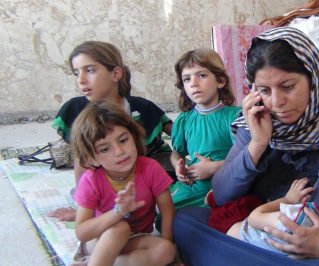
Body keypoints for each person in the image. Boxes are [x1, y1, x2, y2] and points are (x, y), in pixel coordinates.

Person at [173, 27, 319, 265]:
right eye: (265, 91)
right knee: (184, 221)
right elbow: (224, 195)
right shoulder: (256, 120)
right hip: (259, 232)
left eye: (288, 86)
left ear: (313, 78)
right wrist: (257, 144)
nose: (277, 103)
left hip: (316, 252)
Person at [48, 41, 173, 221]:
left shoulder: (140, 107)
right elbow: (83, 161)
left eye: (90, 70)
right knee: (84, 164)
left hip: (151, 172)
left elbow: (181, 134)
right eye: (76, 73)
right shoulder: (76, 110)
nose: (81, 80)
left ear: (115, 73)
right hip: (110, 173)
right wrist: (84, 210)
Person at [70, 101, 175, 265]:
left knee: (166, 250)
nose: (119, 152)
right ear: (91, 158)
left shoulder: (150, 168)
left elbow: (167, 210)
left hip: (138, 238)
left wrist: (170, 247)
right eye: (105, 149)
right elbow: (82, 232)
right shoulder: (91, 180)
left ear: (133, 136)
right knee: (120, 228)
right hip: (99, 238)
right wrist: (118, 212)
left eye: (123, 140)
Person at [169, 48, 241, 209]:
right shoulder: (184, 120)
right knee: (165, 214)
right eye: (187, 79)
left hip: (226, 185)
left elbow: (247, 157)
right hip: (194, 186)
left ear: (220, 81)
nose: (194, 83)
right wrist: (178, 166)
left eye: (202, 75)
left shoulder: (235, 117)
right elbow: (176, 153)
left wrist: (214, 167)